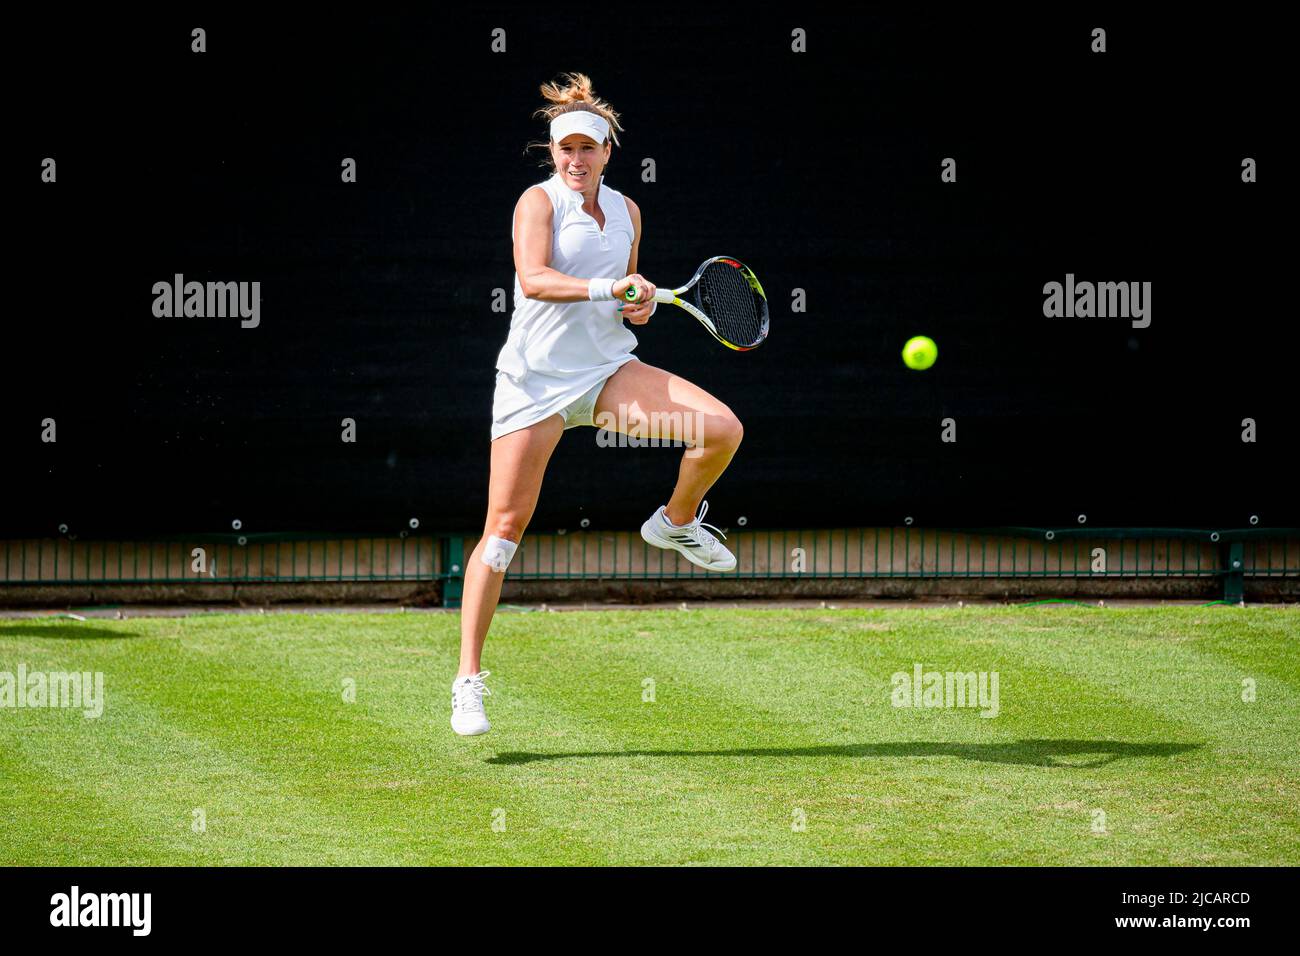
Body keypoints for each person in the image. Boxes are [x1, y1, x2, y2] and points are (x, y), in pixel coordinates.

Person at [451, 73, 745, 736]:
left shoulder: (629, 213)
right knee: (502, 533)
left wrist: (636, 302)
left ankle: (674, 521)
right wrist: (611, 284)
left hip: (607, 373)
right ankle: (468, 681)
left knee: (722, 430)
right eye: (565, 149)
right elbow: (534, 279)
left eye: (588, 148)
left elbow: (626, 304)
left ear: (608, 151)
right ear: (553, 153)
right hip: (534, 386)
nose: (575, 160)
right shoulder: (538, 203)